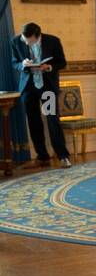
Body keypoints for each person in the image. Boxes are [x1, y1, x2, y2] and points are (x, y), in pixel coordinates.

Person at [10, 22, 70, 167]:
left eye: (29, 40)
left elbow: (62, 63)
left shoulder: (53, 41)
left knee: (52, 120)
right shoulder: (16, 41)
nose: (26, 42)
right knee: (33, 121)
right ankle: (42, 157)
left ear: (38, 36)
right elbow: (14, 62)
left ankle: (63, 156)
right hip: (29, 88)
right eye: (25, 39)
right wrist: (22, 64)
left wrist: (49, 66)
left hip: (47, 87)